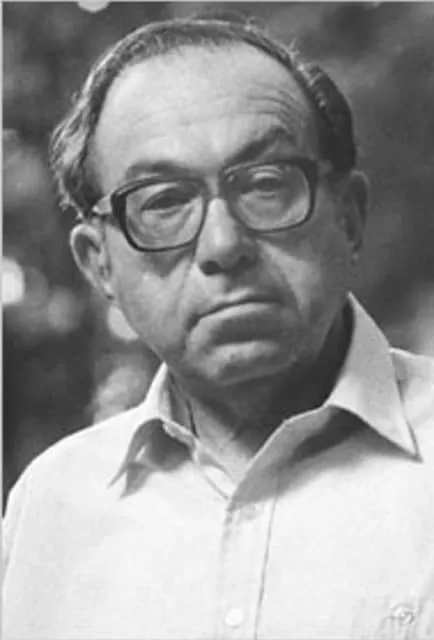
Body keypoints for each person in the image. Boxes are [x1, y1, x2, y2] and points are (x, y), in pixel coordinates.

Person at [3, 13, 434, 640]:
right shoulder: (50, 511)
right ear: (100, 265)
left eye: (266, 184)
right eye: (163, 201)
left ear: (349, 216)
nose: (224, 245)